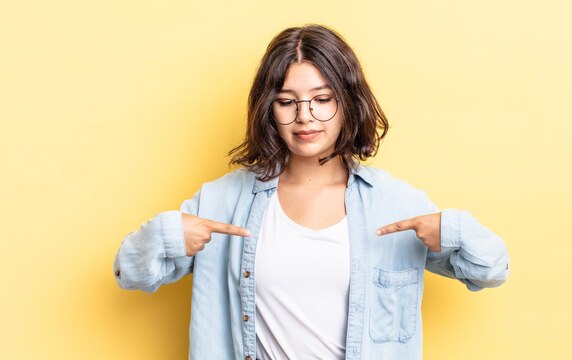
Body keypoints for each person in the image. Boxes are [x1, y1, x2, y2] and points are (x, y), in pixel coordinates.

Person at [113, 23, 510, 360]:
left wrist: (453, 230)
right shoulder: (222, 201)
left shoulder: (395, 204)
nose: (305, 116)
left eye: (322, 100)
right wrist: (168, 235)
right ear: (269, 109)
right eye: (287, 102)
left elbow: (491, 271)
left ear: (348, 103)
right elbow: (130, 275)